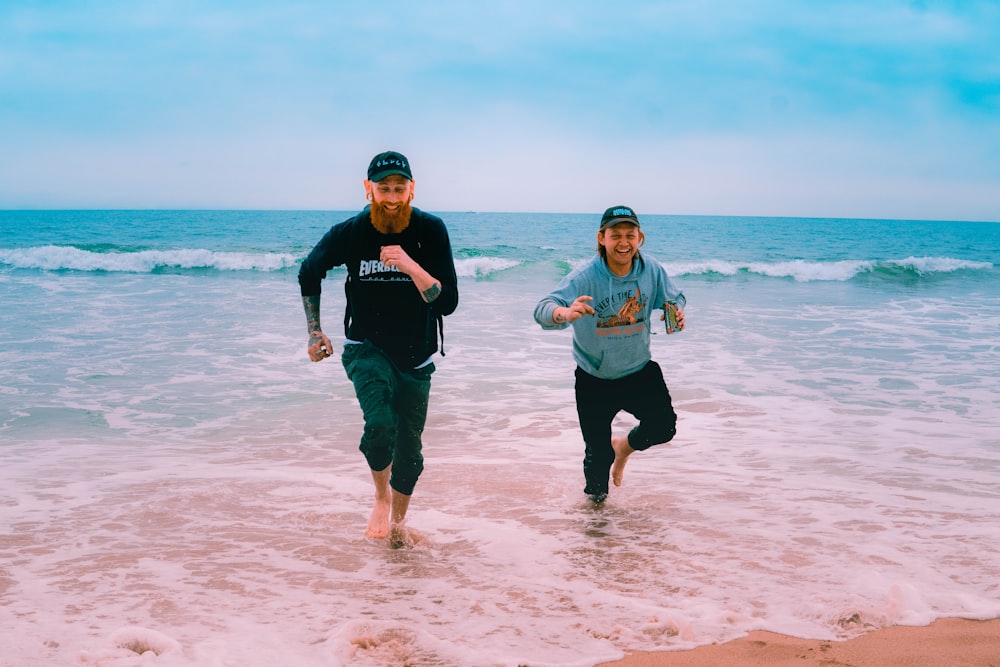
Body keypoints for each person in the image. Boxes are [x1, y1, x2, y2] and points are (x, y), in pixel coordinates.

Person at [298, 150, 459, 546]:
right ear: (368, 189)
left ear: (412, 190)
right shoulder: (351, 232)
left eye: (398, 188)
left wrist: (411, 266)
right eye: (382, 188)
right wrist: (314, 332)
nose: (390, 196)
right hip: (365, 348)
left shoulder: (430, 230)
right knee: (381, 424)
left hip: (417, 355)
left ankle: (398, 527)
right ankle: (380, 498)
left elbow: (448, 302)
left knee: (411, 453)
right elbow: (308, 271)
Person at [533, 205, 686, 505]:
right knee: (597, 461)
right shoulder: (585, 275)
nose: (624, 242)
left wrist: (677, 311)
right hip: (594, 378)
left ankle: (624, 448)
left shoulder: (651, 269)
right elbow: (543, 308)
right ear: (602, 238)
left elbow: (674, 296)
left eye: (630, 235)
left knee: (664, 427)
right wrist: (564, 312)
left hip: (639, 371)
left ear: (640, 238)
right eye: (616, 235)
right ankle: (595, 529)